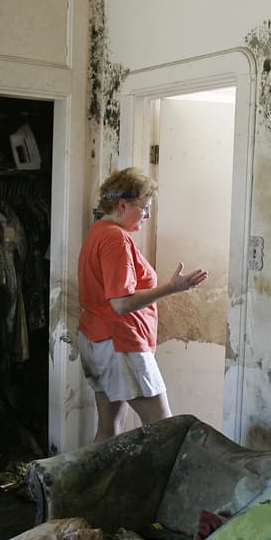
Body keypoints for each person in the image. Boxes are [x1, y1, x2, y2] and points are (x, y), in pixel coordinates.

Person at [77, 167, 208, 441]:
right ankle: (160, 485)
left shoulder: (98, 231)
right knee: (166, 432)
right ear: (122, 205)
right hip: (119, 343)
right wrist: (172, 288)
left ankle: (97, 484)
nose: (148, 215)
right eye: (145, 208)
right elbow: (121, 304)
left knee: (109, 428)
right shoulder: (115, 238)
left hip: (96, 339)